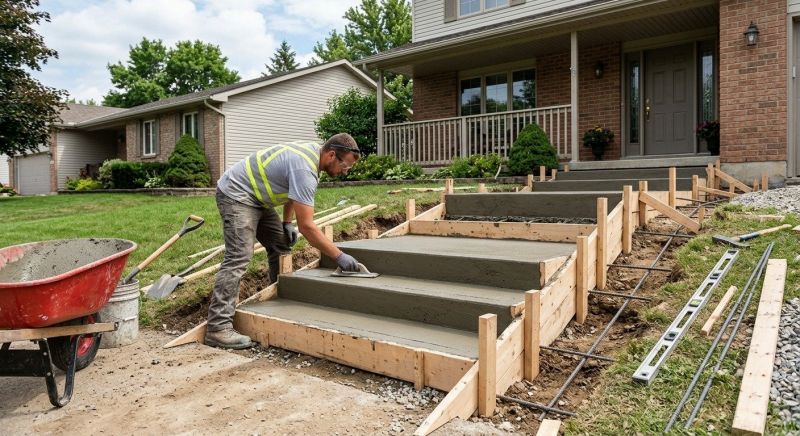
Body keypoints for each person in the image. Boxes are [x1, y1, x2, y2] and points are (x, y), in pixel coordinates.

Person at [205, 133, 362, 349]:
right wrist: (339, 256)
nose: (345, 171)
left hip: (258, 197)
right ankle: (218, 328)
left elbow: (292, 190)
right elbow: (307, 227)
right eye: (345, 166)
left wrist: (287, 222)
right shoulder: (305, 168)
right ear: (332, 155)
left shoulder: (313, 158)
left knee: (279, 245)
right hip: (237, 193)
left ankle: (278, 296)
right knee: (239, 257)